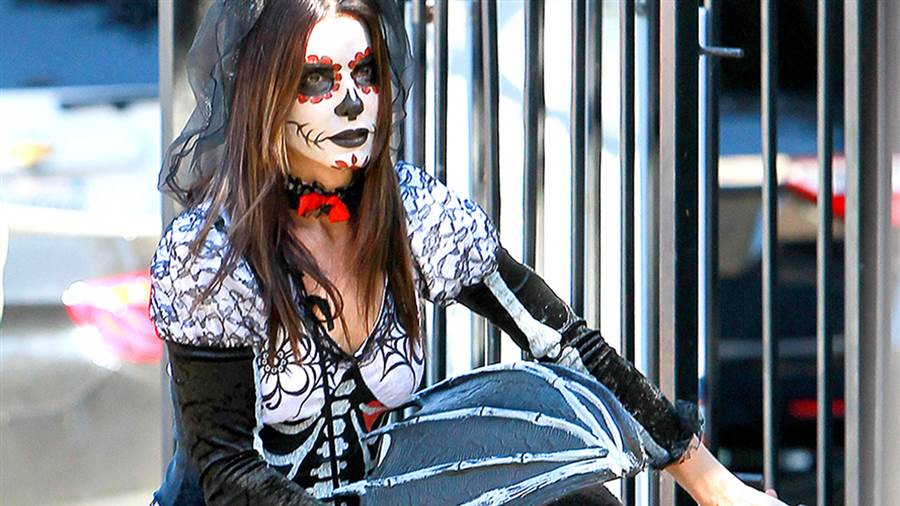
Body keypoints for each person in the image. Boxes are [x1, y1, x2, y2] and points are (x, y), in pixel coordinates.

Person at [149, 0, 789, 504]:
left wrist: (711, 483)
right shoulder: (211, 255)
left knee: (577, 499)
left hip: (380, 493)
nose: (351, 100)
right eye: (318, 79)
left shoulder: (412, 215)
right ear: (267, 96)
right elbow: (224, 472)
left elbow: (563, 341)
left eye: (365, 73)